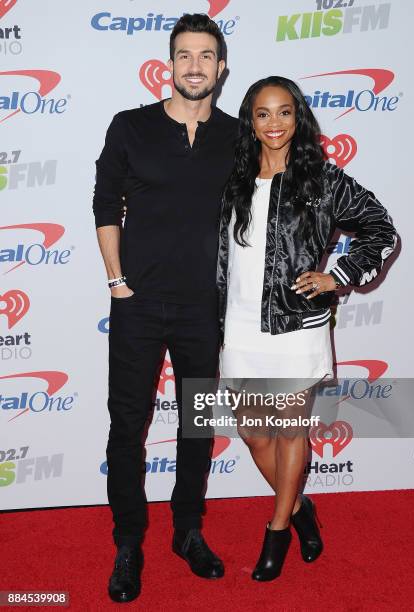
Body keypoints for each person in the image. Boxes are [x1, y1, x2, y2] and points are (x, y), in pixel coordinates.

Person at [217, 76, 397, 581]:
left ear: (298, 118)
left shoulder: (323, 180)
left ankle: (277, 528)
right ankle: (300, 509)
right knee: (254, 434)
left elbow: (382, 229)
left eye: (284, 112)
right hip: (241, 327)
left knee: (291, 431)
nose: (274, 123)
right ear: (250, 123)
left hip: (297, 326)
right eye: (262, 114)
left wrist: (336, 275)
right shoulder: (233, 180)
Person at [92, 14, 238, 603]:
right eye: (184, 55)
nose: (195, 66)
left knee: (196, 425)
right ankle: (129, 541)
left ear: (220, 68)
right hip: (137, 303)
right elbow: (105, 202)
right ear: (169, 64)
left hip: (204, 306)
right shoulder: (130, 127)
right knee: (127, 424)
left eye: (206, 55)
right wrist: (117, 281)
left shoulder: (237, 136)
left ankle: (187, 531)